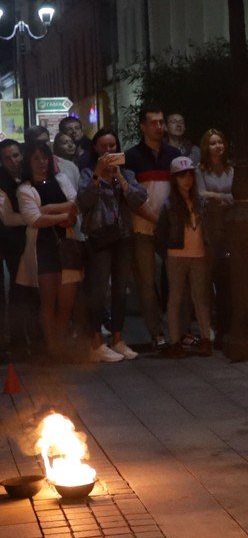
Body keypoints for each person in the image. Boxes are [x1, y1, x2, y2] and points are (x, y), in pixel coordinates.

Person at [78, 128, 148, 363]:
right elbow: (84, 202)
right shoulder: (88, 173)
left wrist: (120, 179)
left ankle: (118, 339)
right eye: (103, 147)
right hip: (99, 238)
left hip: (123, 236)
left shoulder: (125, 173)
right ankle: (96, 342)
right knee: (98, 291)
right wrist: (98, 175)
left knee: (120, 290)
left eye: (112, 147)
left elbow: (139, 199)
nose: (108, 151)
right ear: (95, 149)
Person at [16, 141, 80, 359]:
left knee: (66, 301)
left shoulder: (61, 180)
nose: (41, 162)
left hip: (67, 246)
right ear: (28, 161)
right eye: (35, 158)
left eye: (44, 157)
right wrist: (63, 216)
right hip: (44, 249)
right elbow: (34, 219)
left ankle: (60, 344)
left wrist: (49, 210)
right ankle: (53, 347)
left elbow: (76, 204)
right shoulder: (25, 189)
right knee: (48, 301)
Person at [125, 105, 181, 349]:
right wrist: (154, 218)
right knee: (147, 282)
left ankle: (177, 329)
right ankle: (156, 332)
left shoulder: (173, 154)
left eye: (161, 122)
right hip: (143, 227)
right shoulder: (133, 156)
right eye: (154, 122)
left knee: (177, 279)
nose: (159, 127)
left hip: (168, 228)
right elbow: (130, 195)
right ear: (143, 126)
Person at [155, 157, 213, 358]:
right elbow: (160, 233)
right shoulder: (170, 204)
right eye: (182, 175)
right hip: (176, 255)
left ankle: (206, 339)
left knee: (200, 298)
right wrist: (168, 252)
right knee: (176, 298)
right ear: (174, 179)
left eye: (190, 175)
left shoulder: (200, 202)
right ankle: (175, 341)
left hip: (198, 254)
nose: (187, 179)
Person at [196, 128, 235, 342]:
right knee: (207, 277)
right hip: (209, 226)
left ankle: (225, 323)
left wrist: (217, 197)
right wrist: (222, 197)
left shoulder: (231, 169)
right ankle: (208, 324)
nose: (217, 146)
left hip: (228, 226)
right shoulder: (200, 170)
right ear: (206, 147)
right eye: (212, 143)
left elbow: (236, 196)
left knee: (225, 276)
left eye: (220, 142)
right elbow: (201, 195)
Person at [0, 140, 30, 357]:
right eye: (8, 158)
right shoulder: (2, 181)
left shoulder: (28, 174)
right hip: (9, 239)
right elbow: (7, 218)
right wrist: (34, 218)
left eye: (16, 156)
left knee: (23, 290)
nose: (13, 161)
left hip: (24, 239)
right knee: (14, 291)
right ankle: (14, 339)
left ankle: (22, 337)